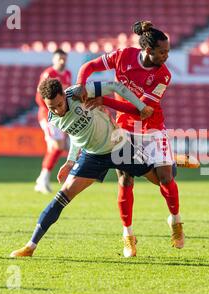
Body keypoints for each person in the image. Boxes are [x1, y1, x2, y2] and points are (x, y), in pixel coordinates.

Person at [10, 78, 156, 258]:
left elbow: (115, 86)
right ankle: (30, 247)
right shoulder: (53, 119)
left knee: (159, 179)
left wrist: (140, 107)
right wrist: (70, 161)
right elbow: (77, 136)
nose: (58, 110)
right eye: (52, 107)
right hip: (93, 156)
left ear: (64, 95)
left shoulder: (78, 93)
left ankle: (169, 165)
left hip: (119, 146)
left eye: (59, 104)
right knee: (61, 197)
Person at [74, 21, 184, 255]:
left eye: (168, 51)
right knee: (125, 181)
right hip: (124, 129)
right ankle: (128, 235)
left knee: (165, 178)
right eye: (162, 52)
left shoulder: (163, 76)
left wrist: (104, 100)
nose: (166, 56)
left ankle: (175, 221)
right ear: (148, 50)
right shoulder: (123, 55)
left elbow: (140, 109)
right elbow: (90, 66)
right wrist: (81, 85)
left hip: (151, 127)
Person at [34, 49, 72, 194]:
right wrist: (52, 113)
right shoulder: (48, 74)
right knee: (58, 146)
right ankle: (43, 179)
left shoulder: (67, 74)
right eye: (59, 58)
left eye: (64, 58)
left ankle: (42, 179)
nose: (62, 61)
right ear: (53, 59)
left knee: (58, 147)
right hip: (49, 116)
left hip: (61, 116)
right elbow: (39, 98)